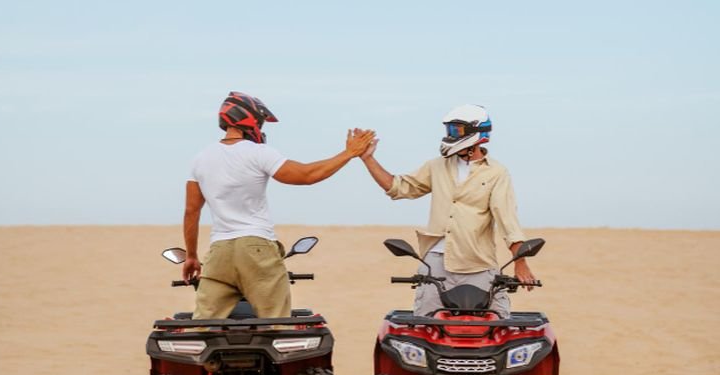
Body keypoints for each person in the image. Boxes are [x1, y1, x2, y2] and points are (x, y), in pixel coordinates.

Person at [183, 91, 374, 319]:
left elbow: (191, 211)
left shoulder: (201, 158)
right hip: (256, 247)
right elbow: (306, 175)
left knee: (203, 326)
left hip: (218, 252)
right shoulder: (259, 153)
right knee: (276, 323)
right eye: (260, 122)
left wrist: (191, 256)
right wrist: (349, 153)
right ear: (249, 119)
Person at [357, 104, 535, 318]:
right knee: (425, 323)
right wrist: (368, 158)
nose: (451, 135)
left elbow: (508, 221)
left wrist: (520, 262)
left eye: (456, 130)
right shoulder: (436, 166)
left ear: (476, 133)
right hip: (435, 263)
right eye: (449, 129)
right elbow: (398, 187)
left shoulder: (497, 173)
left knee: (496, 321)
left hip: (478, 263)